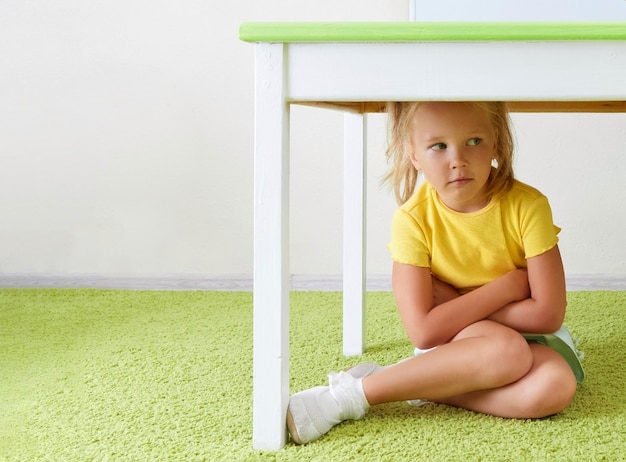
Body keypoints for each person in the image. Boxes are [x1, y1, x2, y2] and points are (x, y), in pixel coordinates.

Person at [286, 101, 585, 445]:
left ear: (497, 144)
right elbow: (425, 332)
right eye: (438, 146)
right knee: (507, 351)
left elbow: (547, 315)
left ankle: (408, 382)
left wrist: (457, 302)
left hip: (519, 333)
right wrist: (509, 286)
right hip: (455, 342)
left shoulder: (528, 206)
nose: (457, 159)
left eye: (474, 141)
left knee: (556, 387)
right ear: (414, 154)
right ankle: (348, 397)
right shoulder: (412, 220)